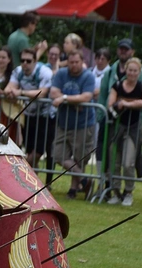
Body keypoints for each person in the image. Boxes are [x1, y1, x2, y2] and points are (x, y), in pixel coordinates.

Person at [106, 58, 142, 206]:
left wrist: (128, 104)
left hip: (133, 128)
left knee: (128, 163)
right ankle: (116, 192)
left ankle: (128, 192)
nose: (132, 73)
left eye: (135, 70)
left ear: (139, 72)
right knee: (114, 162)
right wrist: (119, 105)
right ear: (125, 70)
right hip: (117, 127)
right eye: (130, 70)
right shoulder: (117, 86)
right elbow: (110, 104)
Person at [49, 50, 96, 199]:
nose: (74, 65)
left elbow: (86, 97)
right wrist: (74, 101)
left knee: (79, 158)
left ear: (82, 62)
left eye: (77, 62)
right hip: (64, 123)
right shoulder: (62, 74)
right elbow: (53, 93)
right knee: (58, 155)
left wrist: (64, 99)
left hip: (83, 123)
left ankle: (73, 190)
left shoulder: (88, 76)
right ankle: (85, 179)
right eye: (71, 62)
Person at [6, 48, 54, 170]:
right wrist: (11, 92)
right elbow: (9, 88)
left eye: (28, 61)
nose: (25, 63)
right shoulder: (18, 71)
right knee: (29, 149)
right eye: (22, 60)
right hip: (28, 114)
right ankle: (32, 177)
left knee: (38, 151)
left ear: (35, 61)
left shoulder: (44, 72)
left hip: (45, 115)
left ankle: (21, 169)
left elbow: (42, 93)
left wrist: (21, 92)